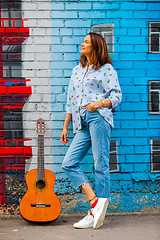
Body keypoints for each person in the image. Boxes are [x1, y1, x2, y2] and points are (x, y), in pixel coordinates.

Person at [61, 32, 122, 229]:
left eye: (86, 42)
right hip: (81, 123)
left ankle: (97, 214)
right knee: (69, 163)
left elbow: (117, 96)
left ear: (95, 46)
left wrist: (98, 104)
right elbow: (71, 101)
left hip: (98, 118)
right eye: (83, 41)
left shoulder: (106, 69)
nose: (82, 43)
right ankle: (95, 202)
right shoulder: (77, 70)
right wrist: (65, 126)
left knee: (100, 165)